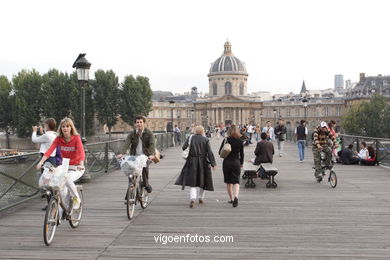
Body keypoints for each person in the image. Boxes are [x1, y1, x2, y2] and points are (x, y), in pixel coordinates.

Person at [36, 117, 85, 214]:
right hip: (64, 167)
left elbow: (81, 152)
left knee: (67, 179)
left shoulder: (76, 138)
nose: (65, 128)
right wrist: (41, 162)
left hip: (77, 167)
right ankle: (62, 211)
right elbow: (49, 151)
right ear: (61, 128)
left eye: (67, 126)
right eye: (63, 126)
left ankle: (76, 198)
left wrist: (81, 164)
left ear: (71, 128)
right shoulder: (59, 139)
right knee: (61, 188)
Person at [175, 125, 216, 208]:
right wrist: (213, 164)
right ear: (203, 132)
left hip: (192, 161)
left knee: (192, 181)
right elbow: (210, 153)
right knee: (203, 180)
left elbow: (183, 147)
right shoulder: (206, 139)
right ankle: (201, 198)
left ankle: (193, 199)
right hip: (203, 162)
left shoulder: (190, 138)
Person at [117, 116, 155, 194]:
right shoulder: (132, 134)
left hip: (146, 156)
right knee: (131, 171)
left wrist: (151, 154)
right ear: (135, 124)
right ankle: (130, 189)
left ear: (144, 123)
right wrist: (122, 153)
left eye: (141, 122)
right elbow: (126, 143)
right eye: (137, 122)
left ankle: (146, 185)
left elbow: (152, 144)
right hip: (134, 156)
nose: (139, 124)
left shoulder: (149, 133)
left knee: (144, 169)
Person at [32, 118, 57, 210]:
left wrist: (34, 131)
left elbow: (34, 140)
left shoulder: (47, 136)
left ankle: (50, 204)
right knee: (50, 182)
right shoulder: (54, 135)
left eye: (45, 125)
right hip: (52, 159)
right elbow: (46, 141)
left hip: (46, 160)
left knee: (45, 183)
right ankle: (52, 203)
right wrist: (43, 133)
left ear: (47, 125)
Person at [218, 125, 243, 207]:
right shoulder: (240, 141)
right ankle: (236, 197)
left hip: (227, 162)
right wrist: (241, 163)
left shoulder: (226, 140)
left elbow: (219, 152)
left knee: (229, 182)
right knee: (236, 181)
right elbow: (242, 154)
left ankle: (231, 199)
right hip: (236, 162)